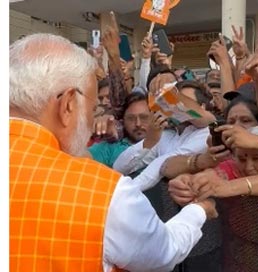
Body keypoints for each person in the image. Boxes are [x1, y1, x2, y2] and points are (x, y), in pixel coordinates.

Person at [9, 33, 218, 272]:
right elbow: (165, 252)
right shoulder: (102, 193)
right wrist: (198, 211)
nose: (92, 120)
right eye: (92, 108)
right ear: (68, 105)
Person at [168, 125, 258, 204]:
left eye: (257, 158)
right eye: (242, 159)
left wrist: (228, 187)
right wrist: (188, 183)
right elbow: (210, 177)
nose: (248, 167)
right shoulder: (232, 167)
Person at [88, 92, 152, 168]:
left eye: (144, 117)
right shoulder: (110, 147)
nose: (138, 124)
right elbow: (80, 162)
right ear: (123, 120)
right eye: (131, 118)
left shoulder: (165, 143)